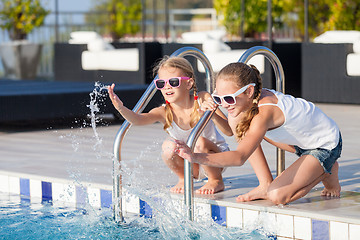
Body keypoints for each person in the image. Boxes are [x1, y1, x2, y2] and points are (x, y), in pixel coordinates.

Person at [174, 62, 342, 205]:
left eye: (229, 99)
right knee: (238, 122)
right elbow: (230, 131)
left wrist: (195, 157)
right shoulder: (250, 100)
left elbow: (239, 157)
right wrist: (213, 111)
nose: (224, 104)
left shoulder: (265, 112)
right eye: (219, 98)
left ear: (249, 91)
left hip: (325, 144)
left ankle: (327, 167)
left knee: (277, 196)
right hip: (300, 142)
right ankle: (265, 183)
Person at [108, 56, 233, 195]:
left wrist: (212, 113)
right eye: (161, 83)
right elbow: (138, 119)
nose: (167, 86)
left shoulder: (203, 98)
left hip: (216, 158)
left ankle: (216, 180)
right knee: (168, 146)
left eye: (173, 82)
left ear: (189, 83)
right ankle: (184, 178)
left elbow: (228, 131)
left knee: (200, 142)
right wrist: (121, 108)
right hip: (191, 163)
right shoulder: (163, 111)